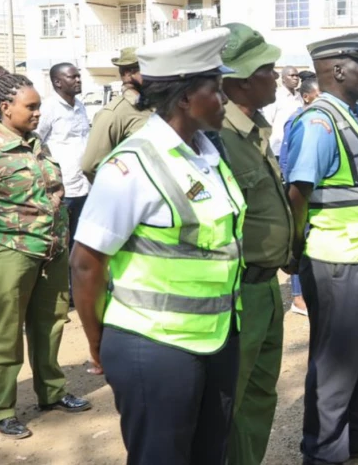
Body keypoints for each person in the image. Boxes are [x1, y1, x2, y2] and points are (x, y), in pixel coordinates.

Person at [70, 29, 245, 464]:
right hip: (154, 344)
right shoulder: (132, 165)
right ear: (185, 98)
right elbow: (86, 264)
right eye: (215, 90)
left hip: (217, 336)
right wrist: (97, 340)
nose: (225, 100)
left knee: (211, 454)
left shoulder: (206, 153)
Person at [0, 73, 91, 439]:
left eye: (40, 106)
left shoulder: (36, 144)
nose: (38, 113)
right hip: (9, 254)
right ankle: (1, 408)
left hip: (50, 250)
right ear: (5, 108)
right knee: (5, 333)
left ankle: (52, 392)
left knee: (50, 325)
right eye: (32, 107)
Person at [283, 32, 358, 464]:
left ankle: (350, 434)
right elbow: (298, 193)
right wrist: (294, 251)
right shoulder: (319, 122)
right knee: (335, 366)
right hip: (340, 263)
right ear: (337, 70)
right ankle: (323, 453)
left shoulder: (351, 114)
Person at [217, 24, 295, 465]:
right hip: (238, 291)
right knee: (229, 401)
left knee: (259, 397)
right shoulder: (221, 138)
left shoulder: (254, 130)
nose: (275, 75)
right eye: (267, 69)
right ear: (241, 80)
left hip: (267, 287)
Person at [36, 63, 92, 269]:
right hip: (63, 187)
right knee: (61, 241)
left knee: (81, 240)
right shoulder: (48, 108)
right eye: (72, 77)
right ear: (57, 82)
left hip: (84, 185)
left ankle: (75, 289)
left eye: (78, 76)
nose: (78, 80)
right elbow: (35, 143)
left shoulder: (80, 106)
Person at [279, 73, 321, 318]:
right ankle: (298, 297)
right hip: (300, 190)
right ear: (306, 97)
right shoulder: (297, 120)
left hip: (315, 191)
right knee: (300, 241)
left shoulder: (317, 120)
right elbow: (286, 158)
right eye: (318, 96)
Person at [80, 47, 150, 181]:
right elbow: (90, 166)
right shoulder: (113, 113)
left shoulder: (153, 105)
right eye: (146, 69)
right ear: (128, 74)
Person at [262, 65, 303, 156]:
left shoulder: (299, 96)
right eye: (292, 76)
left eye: (297, 76)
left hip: (296, 147)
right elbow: (267, 122)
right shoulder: (276, 96)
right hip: (278, 149)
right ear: (283, 79)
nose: (296, 78)